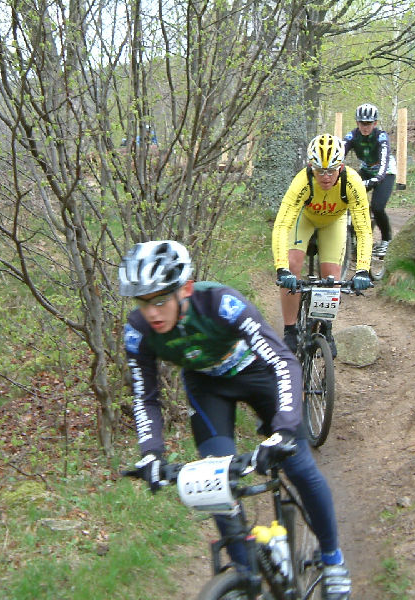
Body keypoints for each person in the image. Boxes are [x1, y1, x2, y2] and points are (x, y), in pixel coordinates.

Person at [120, 240, 352, 600]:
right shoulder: (138, 333)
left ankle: (332, 558)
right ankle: (247, 577)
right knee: (215, 481)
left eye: (160, 299)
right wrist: (151, 453)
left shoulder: (220, 304)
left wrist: (286, 430)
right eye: (143, 302)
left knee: (300, 465)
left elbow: (283, 361)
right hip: (207, 385)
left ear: (185, 289)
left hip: (259, 373)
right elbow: (145, 396)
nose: (152, 312)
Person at [272, 133, 373, 356]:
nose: (325, 177)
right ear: (311, 166)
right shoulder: (302, 181)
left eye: (331, 170)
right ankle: (290, 330)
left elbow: (363, 229)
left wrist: (363, 269)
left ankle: (325, 328)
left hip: (333, 223)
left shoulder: (352, 182)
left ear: (341, 166)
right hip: (305, 219)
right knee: (293, 264)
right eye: (320, 170)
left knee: (332, 276)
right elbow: (281, 226)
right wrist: (282, 267)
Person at [343, 103, 397, 257]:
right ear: (357, 123)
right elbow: (339, 153)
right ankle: (352, 238)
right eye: (362, 123)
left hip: (385, 172)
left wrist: (377, 178)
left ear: (375, 123)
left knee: (378, 207)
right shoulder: (352, 135)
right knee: (346, 196)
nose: (365, 127)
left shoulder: (381, 136)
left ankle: (386, 240)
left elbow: (384, 158)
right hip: (366, 170)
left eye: (368, 123)